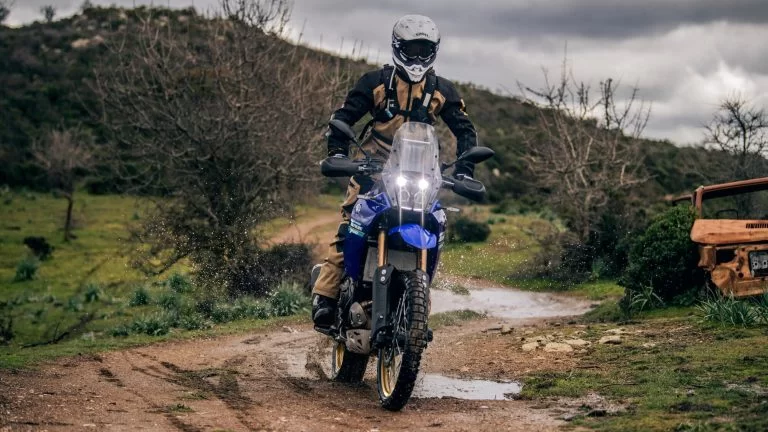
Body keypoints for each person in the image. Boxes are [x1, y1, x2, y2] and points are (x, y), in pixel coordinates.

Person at [312, 14, 478, 326]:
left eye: (424, 50)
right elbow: (343, 119)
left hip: (418, 173)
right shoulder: (375, 82)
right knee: (350, 225)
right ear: (398, 47)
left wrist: (465, 170)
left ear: (434, 51)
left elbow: (465, 131)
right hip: (372, 170)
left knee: (434, 222)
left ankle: (416, 305)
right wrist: (338, 153)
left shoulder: (441, 90)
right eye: (411, 49)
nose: (417, 57)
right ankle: (326, 295)